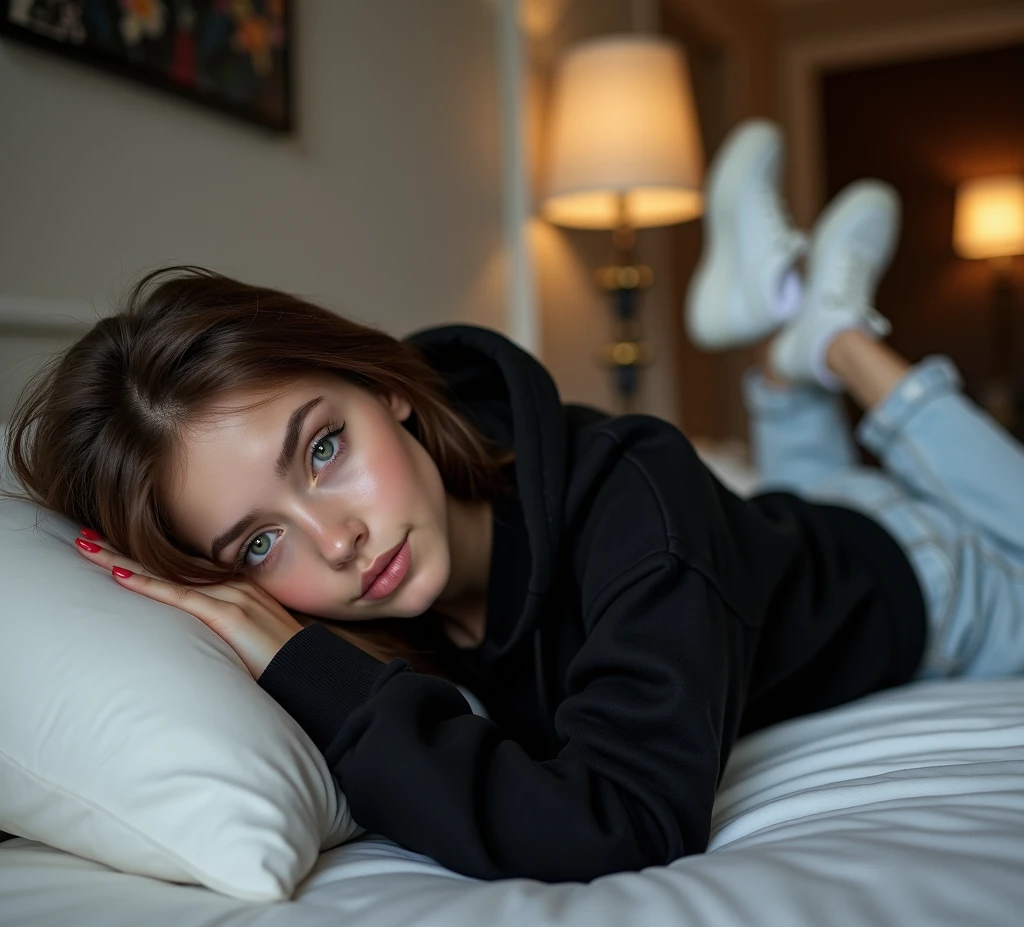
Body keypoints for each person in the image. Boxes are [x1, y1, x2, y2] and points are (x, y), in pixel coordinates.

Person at [5, 119, 1023, 886]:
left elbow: (627, 817)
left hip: (925, 581)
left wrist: (304, 655)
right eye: (262, 540)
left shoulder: (640, 489)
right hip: (777, 534)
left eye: (322, 448)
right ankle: (786, 330)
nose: (339, 537)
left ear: (389, 386)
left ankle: (834, 329)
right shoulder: (361, 620)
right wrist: (287, 656)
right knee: (790, 500)